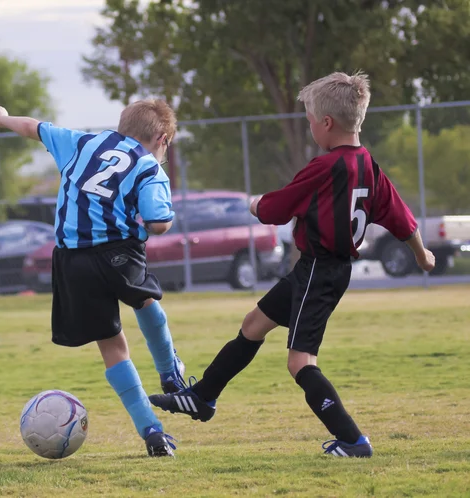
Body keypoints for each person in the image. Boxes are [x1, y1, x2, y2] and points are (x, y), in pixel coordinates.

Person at [148, 72, 436, 458]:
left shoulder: (326, 167)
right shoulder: (368, 165)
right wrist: (421, 253)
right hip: (317, 270)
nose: (311, 127)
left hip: (321, 270)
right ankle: (202, 398)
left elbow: (276, 209)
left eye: (311, 121)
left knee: (300, 362)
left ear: (327, 124)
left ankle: (353, 441)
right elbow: (400, 216)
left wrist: (254, 204)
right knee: (253, 324)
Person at [0, 99, 187, 458]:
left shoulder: (82, 142)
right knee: (146, 303)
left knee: (113, 347)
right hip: (118, 252)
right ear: (161, 138)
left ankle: (152, 432)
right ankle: (170, 372)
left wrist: (2, 119)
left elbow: (32, 127)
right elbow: (158, 223)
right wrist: (160, 217)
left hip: (72, 260)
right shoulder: (148, 167)